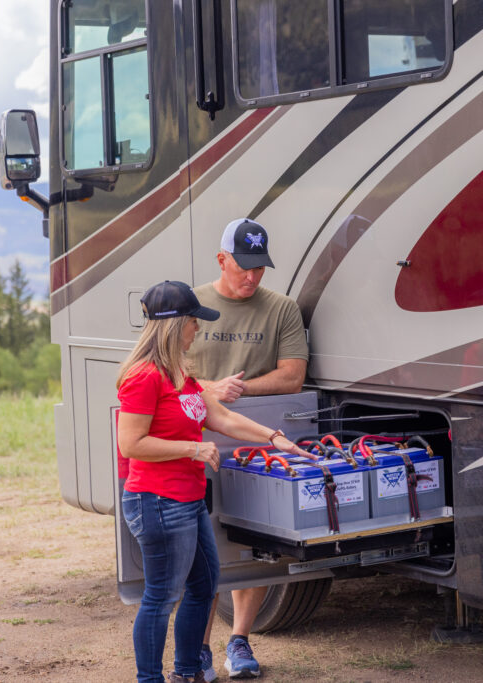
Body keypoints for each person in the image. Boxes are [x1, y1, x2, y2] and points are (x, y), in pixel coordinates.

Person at [117, 280, 311, 683]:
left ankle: (187, 672)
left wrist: (276, 439)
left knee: (204, 587)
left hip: (187, 500)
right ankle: (149, 679)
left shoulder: (181, 376)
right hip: (156, 501)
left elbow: (222, 418)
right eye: (193, 323)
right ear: (174, 325)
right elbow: (131, 443)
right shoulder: (144, 377)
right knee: (160, 596)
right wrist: (192, 449)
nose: (197, 331)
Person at [187, 218, 309, 680]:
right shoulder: (191, 305)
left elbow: (292, 376)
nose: (253, 277)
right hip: (199, 439)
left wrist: (241, 391)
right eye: (244, 267)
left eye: (260, 268)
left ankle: (239, 640)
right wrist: (210, 390)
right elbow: (164, 371)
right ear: (222, 260)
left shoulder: (282, 309)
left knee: (258, 542)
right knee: (206, 544)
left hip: (259, 437)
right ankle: (198, 647)